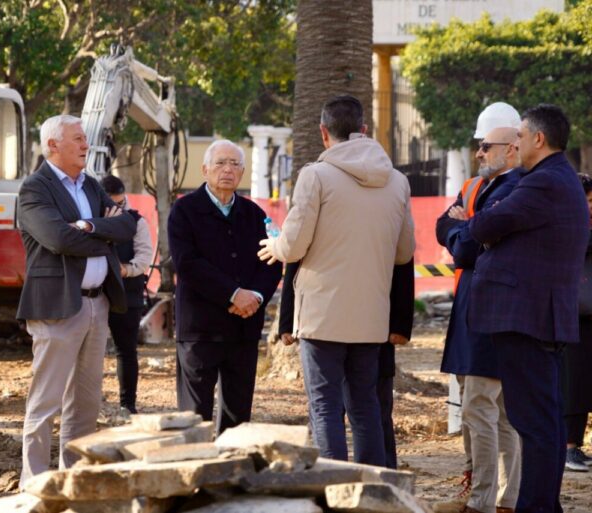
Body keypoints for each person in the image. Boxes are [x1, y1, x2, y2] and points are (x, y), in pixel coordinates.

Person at [258, 94, 415, 465]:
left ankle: (332, 491)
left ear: (323, 133)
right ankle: (373, 494)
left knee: (325, 407)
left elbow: (294, 246)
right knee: (366, 407)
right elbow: (404, 252)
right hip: (371, 319)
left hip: (322, 316)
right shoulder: (397, 182)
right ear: (363, 130)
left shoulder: (315, 176)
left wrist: (275, 246)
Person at [467, 104, 589, 513]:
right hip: (539, 317)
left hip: (527, 318)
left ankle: (536, 506)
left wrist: (474, 222)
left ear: (539, 139)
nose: (514, 142)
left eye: (519, 135)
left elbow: (482, 226)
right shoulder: (553, 179)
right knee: (544, 421)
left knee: (535, 423)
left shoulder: (543, 183)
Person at [16, 115, 136, 486]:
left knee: (85, 402)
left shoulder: (93, 186)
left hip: (97, 305)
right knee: (46, 401)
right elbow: (58, 240)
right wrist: (104, 232)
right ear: (53, 145)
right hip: (57, 306)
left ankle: (74, 479)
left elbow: (128, 224)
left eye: (86, 138)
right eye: (78, 139)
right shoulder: (34, 189)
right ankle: (34, 482)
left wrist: (88, 226)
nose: (86, 145)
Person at [435, 106, 523, 513]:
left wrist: (461, 227)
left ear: (510, 147)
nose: (480, 153)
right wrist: (461, 227)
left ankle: (483, 500)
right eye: (479, 145)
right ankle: (505, 498)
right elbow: (445, 227)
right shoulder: (479, 187)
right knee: (496, 410)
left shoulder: (515, 189)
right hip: (477, 305)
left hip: (494, 309)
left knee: (482, 407)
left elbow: (466, 245)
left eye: (486, 146)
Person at [167, 139, 282, 433]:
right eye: (220, 163)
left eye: (234, 164)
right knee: (194, 419)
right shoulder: (185, 211)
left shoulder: (254, 214)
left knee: (238, 418)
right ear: (205, 169)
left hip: (243, 328)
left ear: (242, 172)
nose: (227, 170)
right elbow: (187, 263)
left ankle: (231, 477)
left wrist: (254, 296)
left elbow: (271, 262)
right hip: (200, 329)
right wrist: (233, 294)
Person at [278, 258, 415, 469]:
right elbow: (296, 256)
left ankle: (376, 482)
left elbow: (403, 257)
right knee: (331, 408)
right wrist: (287, 320)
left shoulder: (388, 222)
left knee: (369, 407)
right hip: (334, 321)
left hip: (370, 321)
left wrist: (401, 323)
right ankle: (336, 481)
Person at [100, 175, 155, 416]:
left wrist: (125, 269)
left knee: (126, 351)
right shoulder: (91, 219)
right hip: (95, 295)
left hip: (127, 295)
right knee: (86, 352)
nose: (119, 209)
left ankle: (127, 405)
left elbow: (144, 258)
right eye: (113, 204)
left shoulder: (136, 221)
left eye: (121, 203)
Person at [562, 173, 592, 472]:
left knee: (583, 383)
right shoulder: (569, 226)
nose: (589, 206)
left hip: (586, 315)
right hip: (572, 315)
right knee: (574, 382)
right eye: (586, 200)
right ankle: (568, 447)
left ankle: (576, 446)